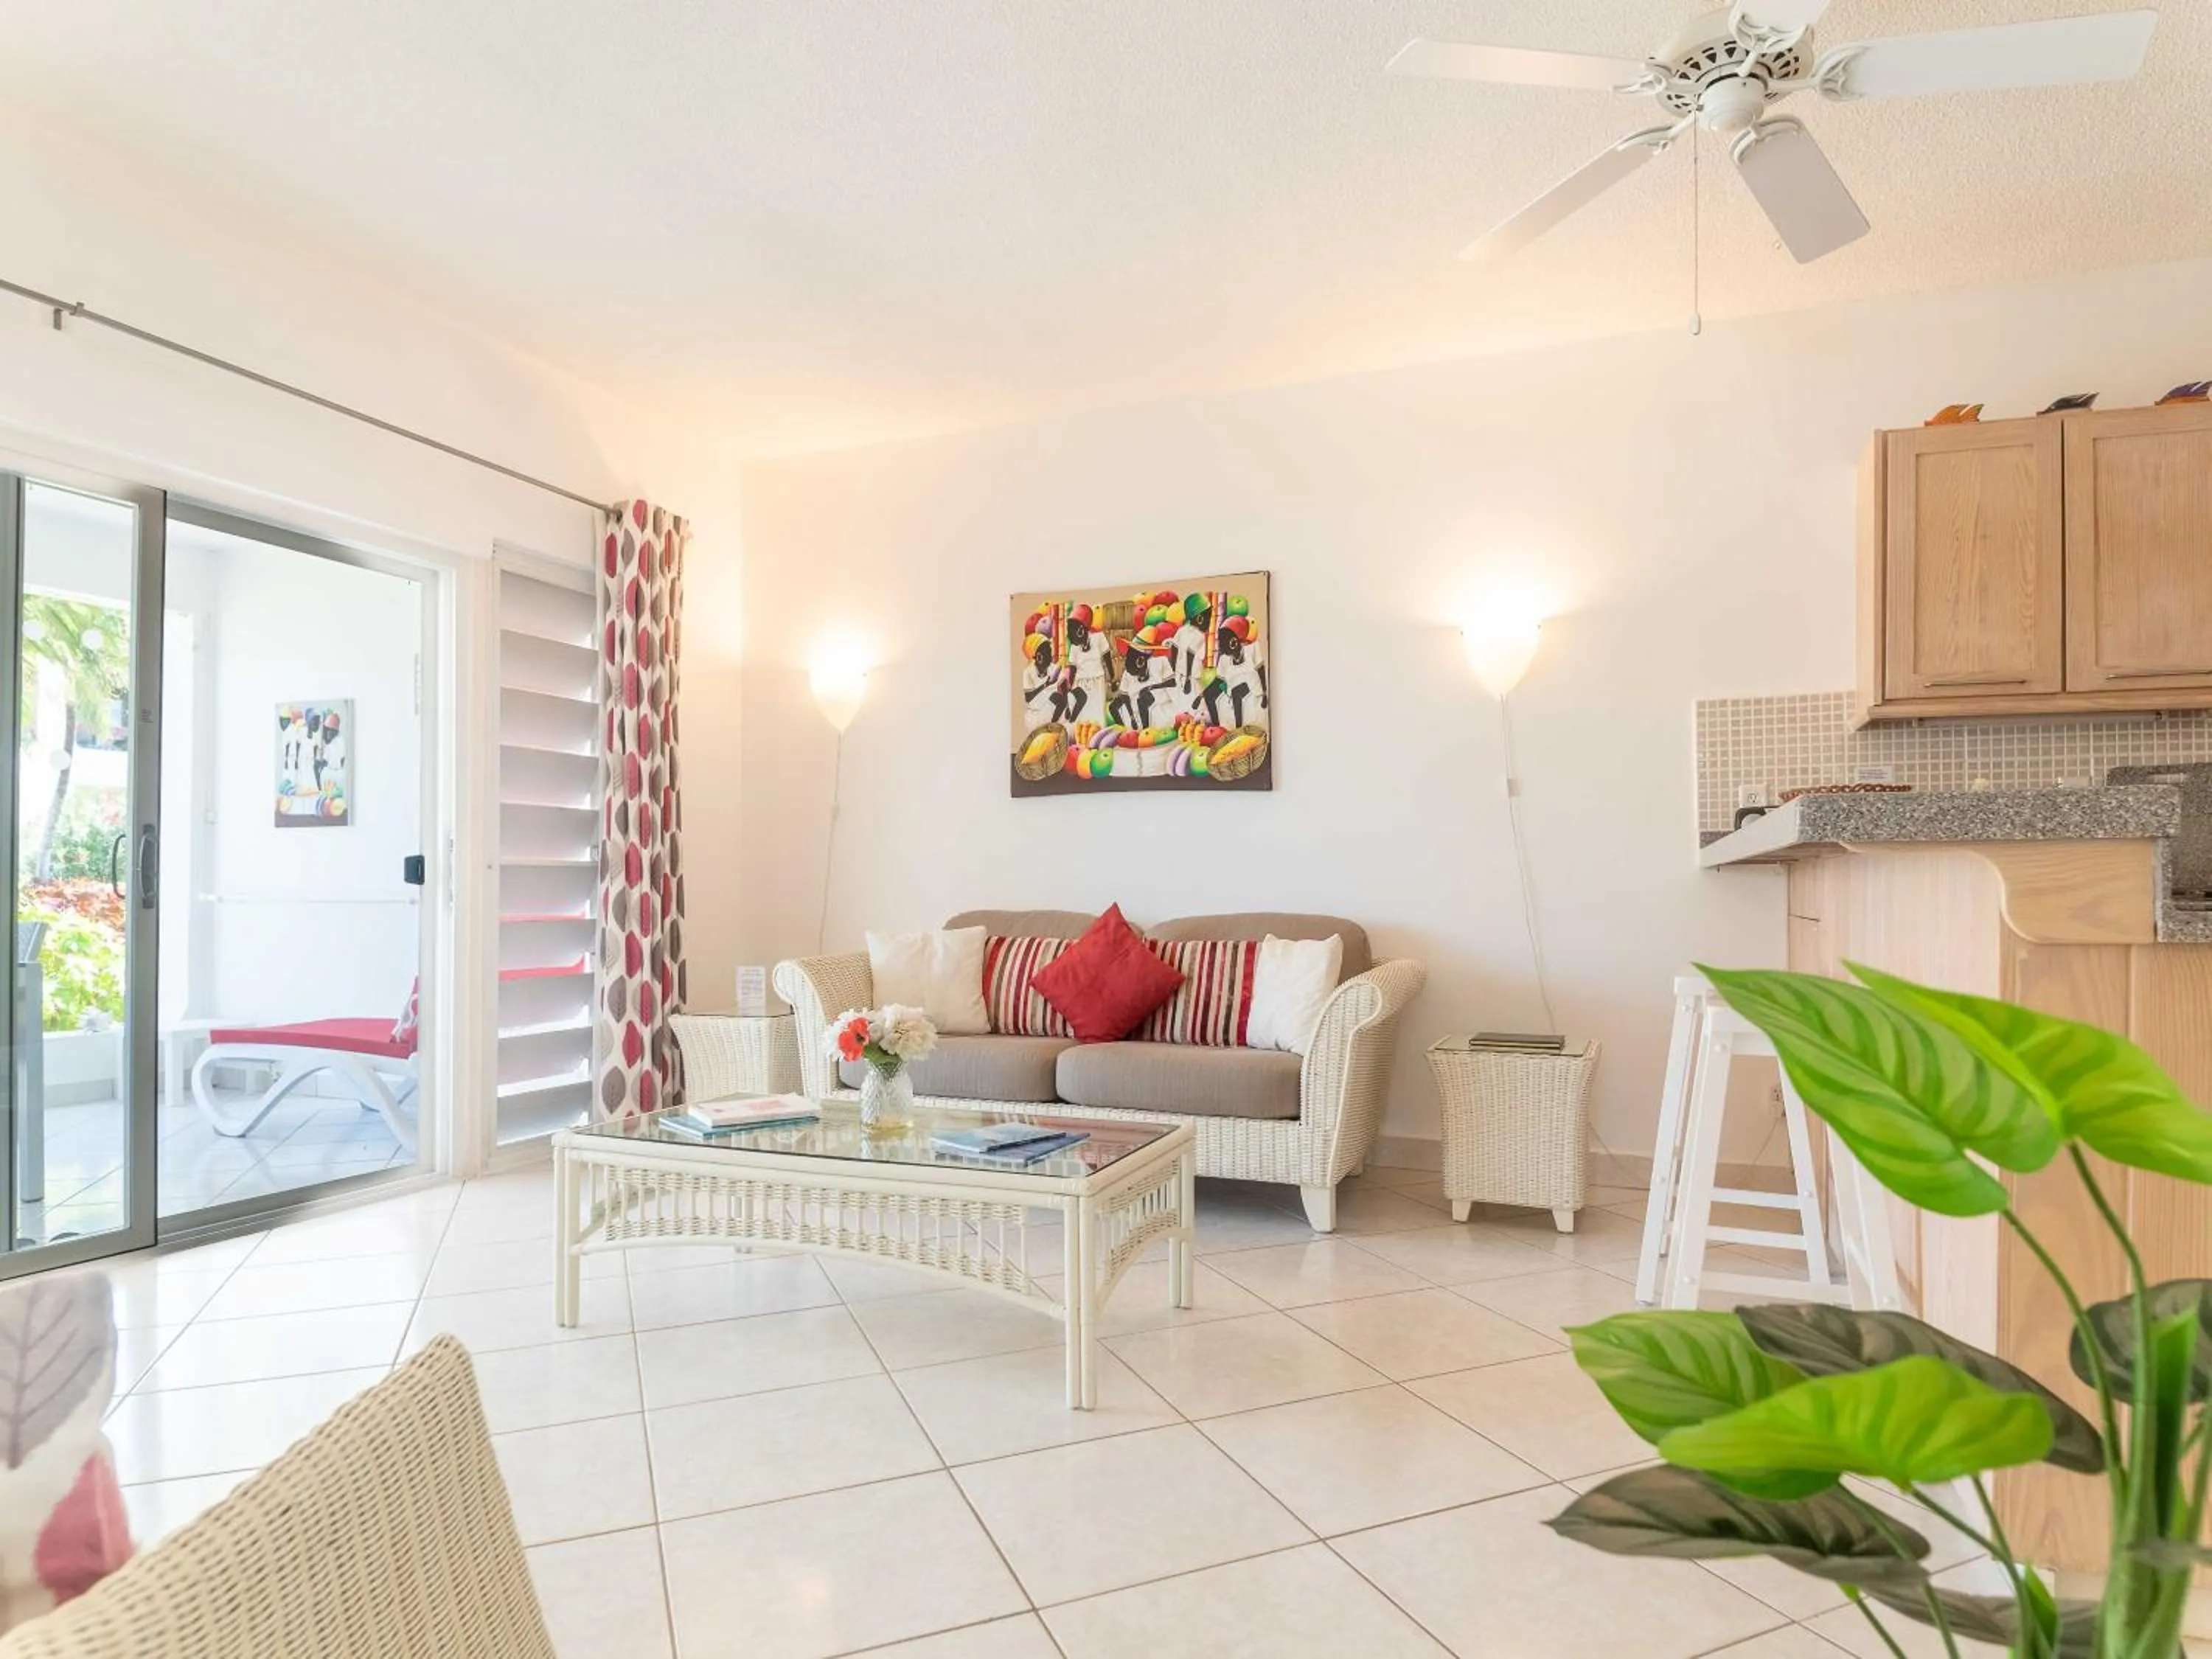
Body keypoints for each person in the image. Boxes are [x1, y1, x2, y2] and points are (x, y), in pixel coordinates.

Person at [1201, 625, 1267, 728]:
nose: (1230, 654)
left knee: (1237, 691)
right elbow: (1218, 681)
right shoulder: (1224, 659)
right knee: (1209, 693)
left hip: (1253, 692)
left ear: (1235, 641)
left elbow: (1261, 671)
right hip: (1234, 697)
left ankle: (1238, 728)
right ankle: (1216, 726)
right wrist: (1203, 694)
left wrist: (1265, 693)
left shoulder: (1252, 650)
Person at [1063, 610, 1111, 724]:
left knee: (1097, 715)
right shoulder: (1074, 647)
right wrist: (1070, 688)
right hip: (1080, 683)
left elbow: (1107, 658)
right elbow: (1073, 669)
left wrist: (1112, 677)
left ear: (1082, 628)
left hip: (1097, 682)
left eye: (1073, 630)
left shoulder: (1099, 638)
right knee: (1082, 717)